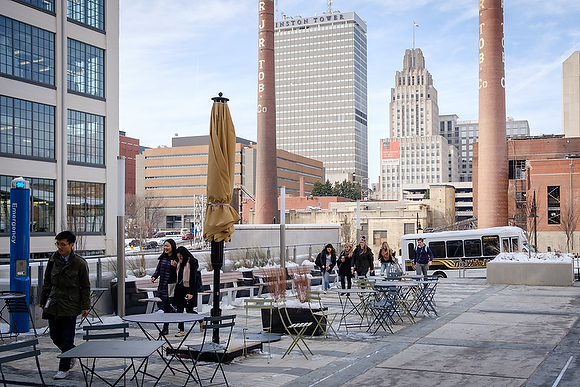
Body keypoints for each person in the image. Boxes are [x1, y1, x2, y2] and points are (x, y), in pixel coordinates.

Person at [39, 231, 90, 380]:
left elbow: (85, 286)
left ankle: (63, 368)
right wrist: (43, 299)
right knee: (55, 336)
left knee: (67, 338)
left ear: (71, 245)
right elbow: (47, 281)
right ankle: (72, 353)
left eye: (63, 244)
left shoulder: (79, 263)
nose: (59, 247)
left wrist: (85, 305)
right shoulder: (53, 259)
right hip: (53, 303)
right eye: (58, 244)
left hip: (70, 304)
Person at [151, 239, 177, 335]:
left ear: (172, 247)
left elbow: (180, 271)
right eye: (164, 246)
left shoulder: (176, 258)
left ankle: (167, 327)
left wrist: (176, 266)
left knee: (167, 305)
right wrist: (154, 276)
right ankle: (167, 325)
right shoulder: (163, 258)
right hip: (163, 284)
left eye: (167, 246)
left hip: (171, 286)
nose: (165, 248)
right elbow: (158, 269)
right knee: (165, 305)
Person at [173, 246, 199, 337]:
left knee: (189, 310)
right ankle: (181, 330)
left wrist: (191, 292)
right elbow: (177, 276)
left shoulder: (192, 263)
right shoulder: (179, 263)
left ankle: (200, 319)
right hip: (180, 288)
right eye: (178, 256)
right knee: (179, 310)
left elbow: (193, 279)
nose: (180, 258)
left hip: (188, 288)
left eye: (181, 256)